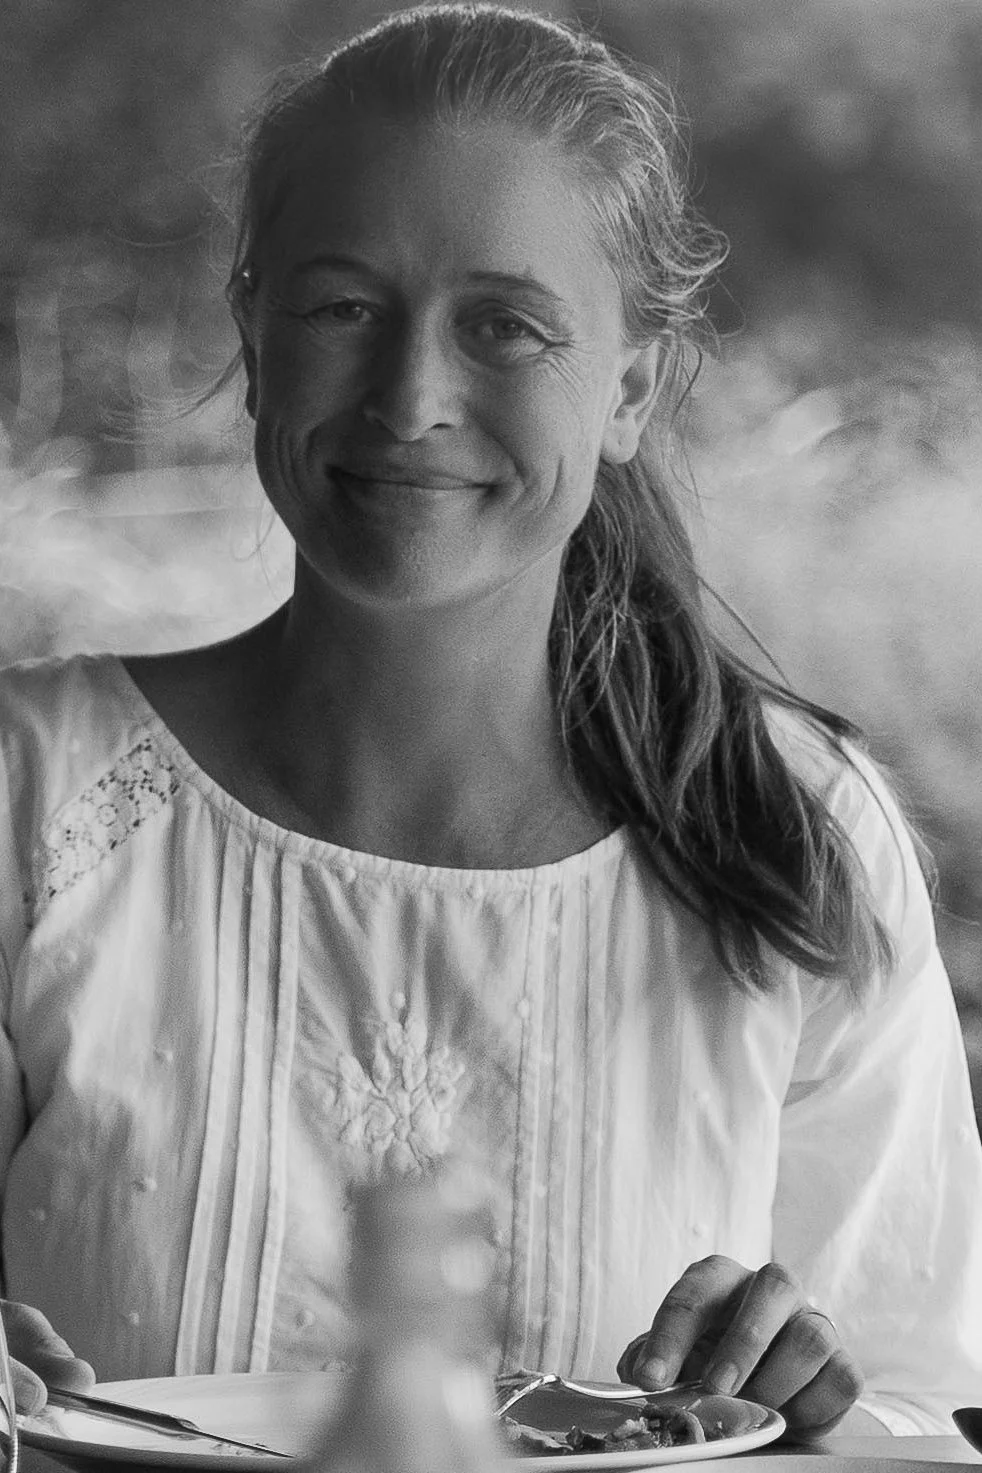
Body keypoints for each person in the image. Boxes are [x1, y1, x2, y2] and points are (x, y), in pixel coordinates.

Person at [1, 1, 980, 1444]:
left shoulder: (798, 835)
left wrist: (820, 1412)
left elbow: (914, 1403)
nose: (408, 399)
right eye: (341, 307)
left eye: (505, 325)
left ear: (633, 384)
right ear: (253, 340)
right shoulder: (31, 798)